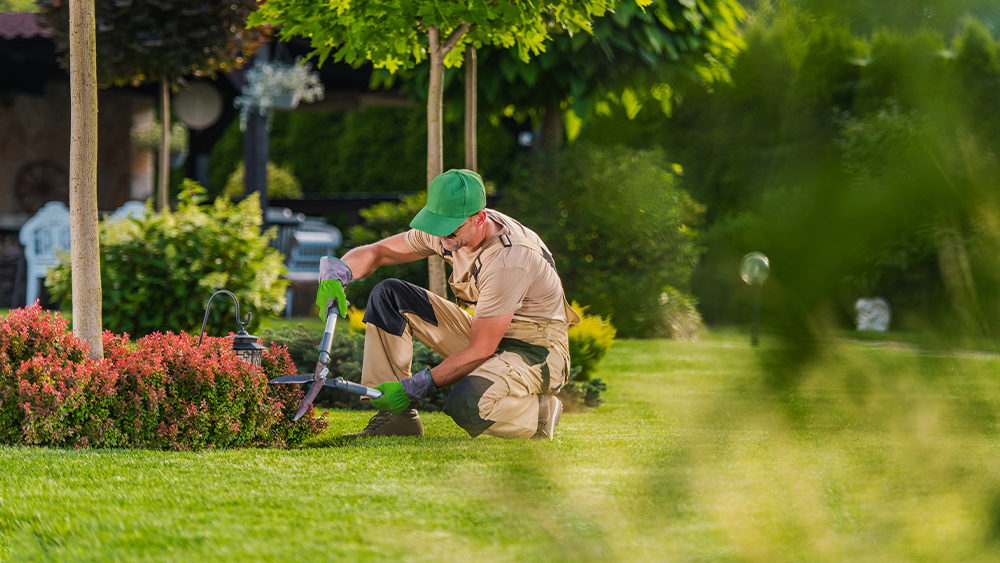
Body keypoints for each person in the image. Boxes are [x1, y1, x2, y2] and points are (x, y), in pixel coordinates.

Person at [316, 169, 579, 439]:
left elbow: (481, 349)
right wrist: (339, 271)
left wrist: (412, 387)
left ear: (479, 218)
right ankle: (397, 419)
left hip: (536, 350)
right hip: (488, 331)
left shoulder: (508, 259)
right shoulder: (449, 229)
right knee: (390, 296)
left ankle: (539, 412)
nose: (442, 237)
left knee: (466, 404)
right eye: (437, 225)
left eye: (450, 229)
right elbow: (379, 252)